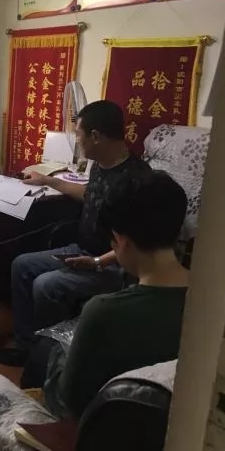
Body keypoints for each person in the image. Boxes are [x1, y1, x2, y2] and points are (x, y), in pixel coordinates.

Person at [0, 100, 151, 367]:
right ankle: (28, 346)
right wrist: (47, 180)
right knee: (22, 265)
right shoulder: (101, 164)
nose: (77, 142)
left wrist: (97, 262)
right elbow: (88, 193)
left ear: (95, 136)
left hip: (114, 266)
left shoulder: (137, 180)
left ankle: (55, 357)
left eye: (79, 135)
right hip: (83, 251)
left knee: (46, 285)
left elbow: (137, 243)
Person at [43, 170, 189, 418]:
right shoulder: (210, 301)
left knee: (56, 350)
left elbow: (72, 400)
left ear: (121, 241)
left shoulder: (103, 311)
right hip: (175, 419)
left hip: (112, 426)